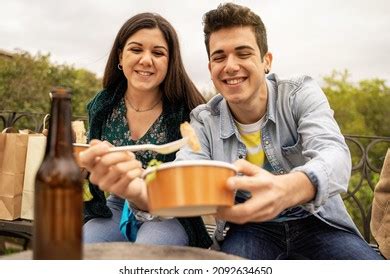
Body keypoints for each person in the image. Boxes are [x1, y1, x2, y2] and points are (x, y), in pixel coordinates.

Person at [81, 3, 383, 259]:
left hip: (319, 222)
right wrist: (138, 191)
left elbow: (334, 153)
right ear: (210, 66)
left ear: (266, 61)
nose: (230, 66)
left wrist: (287, 189)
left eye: (243, 53)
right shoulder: (203, 120)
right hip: (250, 228)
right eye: (219, 56)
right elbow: (183, 175)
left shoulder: (299, 94)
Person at [81, 12, 212, 248]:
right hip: (118, 204)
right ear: (121, 56)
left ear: (170, 61)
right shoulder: (102, 105)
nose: (146, 60)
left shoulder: (189, 111)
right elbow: (93, 179)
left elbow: (197, 177)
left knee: (146, 252)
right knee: (85, 245)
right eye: (136, 49)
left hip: (169, 209)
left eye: (158, 53)